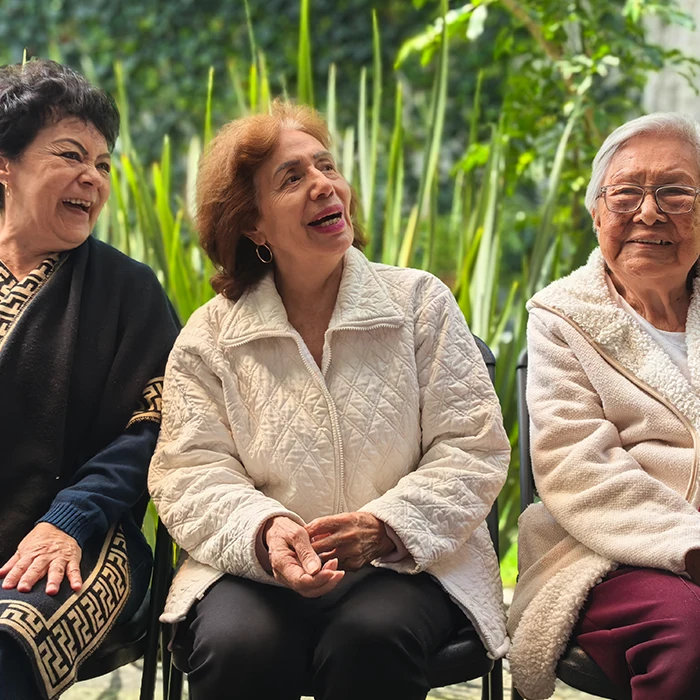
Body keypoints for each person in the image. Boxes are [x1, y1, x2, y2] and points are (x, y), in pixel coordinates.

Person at [148, 100, 511, 700]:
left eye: (327, 166)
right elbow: (187, 470)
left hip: (403, 564)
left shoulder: (420, 303)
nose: (323, 185)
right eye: (292, 178)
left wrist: (384, 527)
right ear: (253, 224)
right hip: (256, 570)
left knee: (368, 639)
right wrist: (264, 533)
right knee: (237, 646)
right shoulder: (209, 335)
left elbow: (472, 449)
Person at [0, 58, 180, 699]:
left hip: (85, 535)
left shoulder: (130, 290)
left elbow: (155, 428)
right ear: (5, 165)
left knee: (8, 638)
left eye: (103, 164)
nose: (93, 178)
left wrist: (71, 518)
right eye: (70, 155)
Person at [507, 112, 700, 700]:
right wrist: (691, 545)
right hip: (606, 553)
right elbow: (578, 468)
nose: (650, 213)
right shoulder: (562, 318)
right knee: (691, 633)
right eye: (626, 193)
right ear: (596, 214)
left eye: (676, 193)